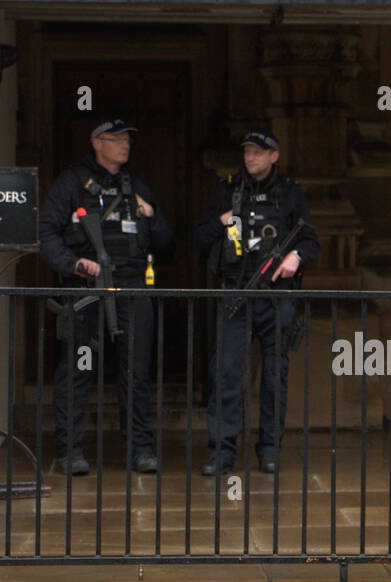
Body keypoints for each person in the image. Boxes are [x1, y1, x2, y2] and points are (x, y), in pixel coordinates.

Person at [39, 116, 173, 475]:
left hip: (131, 289)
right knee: (79, 367)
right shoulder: (71, 184)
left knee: (136, 372)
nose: (124, 145)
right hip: (86, 292)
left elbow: (165, 241)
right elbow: (47, 234)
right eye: (116, 139)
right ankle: (70, 451)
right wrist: (74, 264)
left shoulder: (134, 186)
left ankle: (140, 449)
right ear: (97, 143)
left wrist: (152, 214)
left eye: (128, 139)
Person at [193, 129, 319, 475]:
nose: (251, 158)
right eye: (247, 152)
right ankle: (222, 450)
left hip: (275, 297)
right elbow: (201, 237)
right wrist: (222, 222)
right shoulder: (229, 190)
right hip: (236, 292)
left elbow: (311, 241)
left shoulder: (290, 193)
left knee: (274, 376)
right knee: (227, 372)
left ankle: (269, 447)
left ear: (273, 156)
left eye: (258, 153)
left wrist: (295, 257)